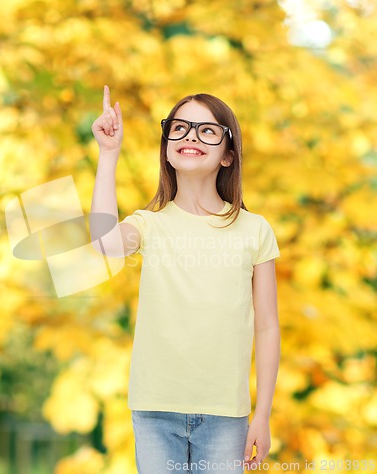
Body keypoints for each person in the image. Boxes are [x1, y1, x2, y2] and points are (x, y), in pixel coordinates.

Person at [90, 85, 281, 474]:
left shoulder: (255, 230)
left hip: (227, 414)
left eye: (207, 130)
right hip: (155, 409)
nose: (190, 136)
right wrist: (108, 156)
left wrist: (262, 415)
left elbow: (267, 327)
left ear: (228, 155)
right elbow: (106, 244)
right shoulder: (150, 225)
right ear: (166, 146)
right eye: (179, 128)